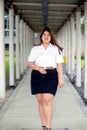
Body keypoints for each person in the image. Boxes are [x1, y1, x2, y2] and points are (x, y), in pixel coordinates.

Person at [28, 27, 64, 130]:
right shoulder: (35, 49)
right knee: (40, 101)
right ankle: (43, 125)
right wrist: (38, 68)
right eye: (44, 35)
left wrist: (60, 78)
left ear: (51, 37)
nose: (46, 37)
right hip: (37, 75)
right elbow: (30, 62)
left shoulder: (55, 49)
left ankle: (48, 127)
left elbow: (59, 65)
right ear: (41, 37)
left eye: (48, 35)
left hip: (51, 75)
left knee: (47, 100)